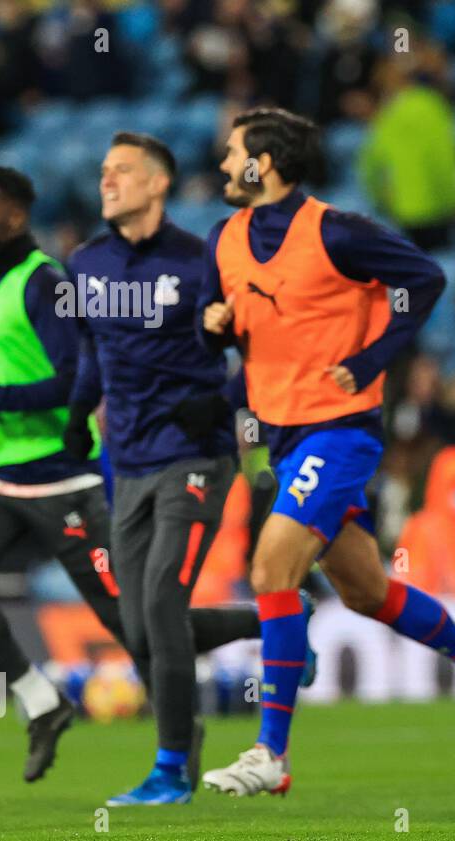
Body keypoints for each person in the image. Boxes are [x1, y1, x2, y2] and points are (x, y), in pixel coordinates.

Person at [197, 107, 455, 797]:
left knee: (269, 570)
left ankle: (271, 755)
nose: (223, 163)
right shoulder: (223, 241)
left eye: (232, 153)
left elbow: (426, 279)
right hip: (283, 438)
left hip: (339, 431)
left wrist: (374, 355)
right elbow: (245, 346)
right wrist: (213, 333)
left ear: (264, 163)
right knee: (366, 591)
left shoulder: (337, 232)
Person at [0, 166, 264, 787]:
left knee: (133, 624)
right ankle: (43, 703)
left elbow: (70, 381)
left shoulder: (46, 287)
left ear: (14, 218)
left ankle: (250, 632)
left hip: (62, 483)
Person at [64, 132, 293, 806]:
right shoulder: (85, 264)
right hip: (124, 463)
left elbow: (262, 344)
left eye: (123, 171)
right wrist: (77, 421)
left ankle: (171, 765)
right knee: (136, 626)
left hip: (195, 456)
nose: (108, 181)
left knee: (162, 598)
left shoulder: (204, 261)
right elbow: (87, 358)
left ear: (158, 184)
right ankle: (273, 620)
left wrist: (220, 402)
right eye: (104, 171)